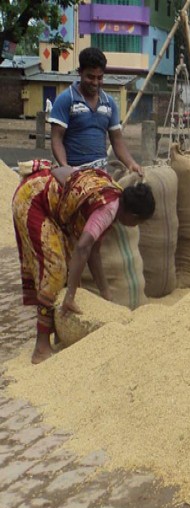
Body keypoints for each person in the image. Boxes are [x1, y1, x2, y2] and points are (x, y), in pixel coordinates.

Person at [11, 160, 155, 364]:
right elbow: (83, 248)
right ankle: (41, 347)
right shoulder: (107, 208)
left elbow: (93, 251)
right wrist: (70, 295)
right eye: (138, 222)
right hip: (33, 199)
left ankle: (61, 332)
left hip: (51, 204)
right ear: (132, 215)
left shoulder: (115, 196)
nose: (134, 226)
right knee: (54, 270)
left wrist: (105, 292)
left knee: (71, 269)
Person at [49, 47, 142, 175]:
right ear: (80, 72)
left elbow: (117, 140)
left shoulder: (109, 104)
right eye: (90, 77)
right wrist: (65, 168)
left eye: (100, 78)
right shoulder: (66, 99)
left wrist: (132, 164)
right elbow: (56, 139)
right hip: (73, 173)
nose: (95, 82)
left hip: (100, 174)